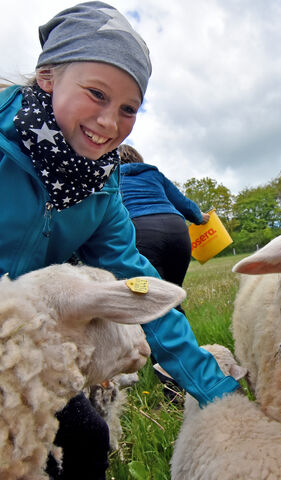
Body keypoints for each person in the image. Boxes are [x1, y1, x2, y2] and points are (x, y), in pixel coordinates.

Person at [0, 3, 240, 479]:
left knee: (87, 439)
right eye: (96, 94)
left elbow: (141, 287)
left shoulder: (101, 192)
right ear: (48, 76)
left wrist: (216, 391)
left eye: (129, 108)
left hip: (19, 353)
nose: (110, 122)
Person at [119, 144, 209, 301]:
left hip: (141, 230)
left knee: (151, 300)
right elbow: (182, 203)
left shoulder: (112, 178)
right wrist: (199, 217)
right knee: (173, 297)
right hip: (177, 229)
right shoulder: (153, 174)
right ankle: (180, 324)